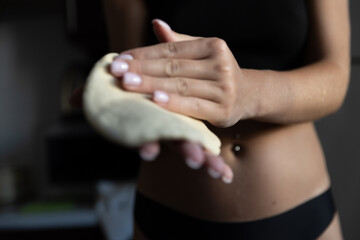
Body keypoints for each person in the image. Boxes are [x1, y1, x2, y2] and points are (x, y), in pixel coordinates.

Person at [72, 0, 350, 239]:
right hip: (169, 213)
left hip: (300, 212)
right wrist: (128, 103)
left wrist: (247, 93)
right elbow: (135, 69)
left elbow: (335, 76)